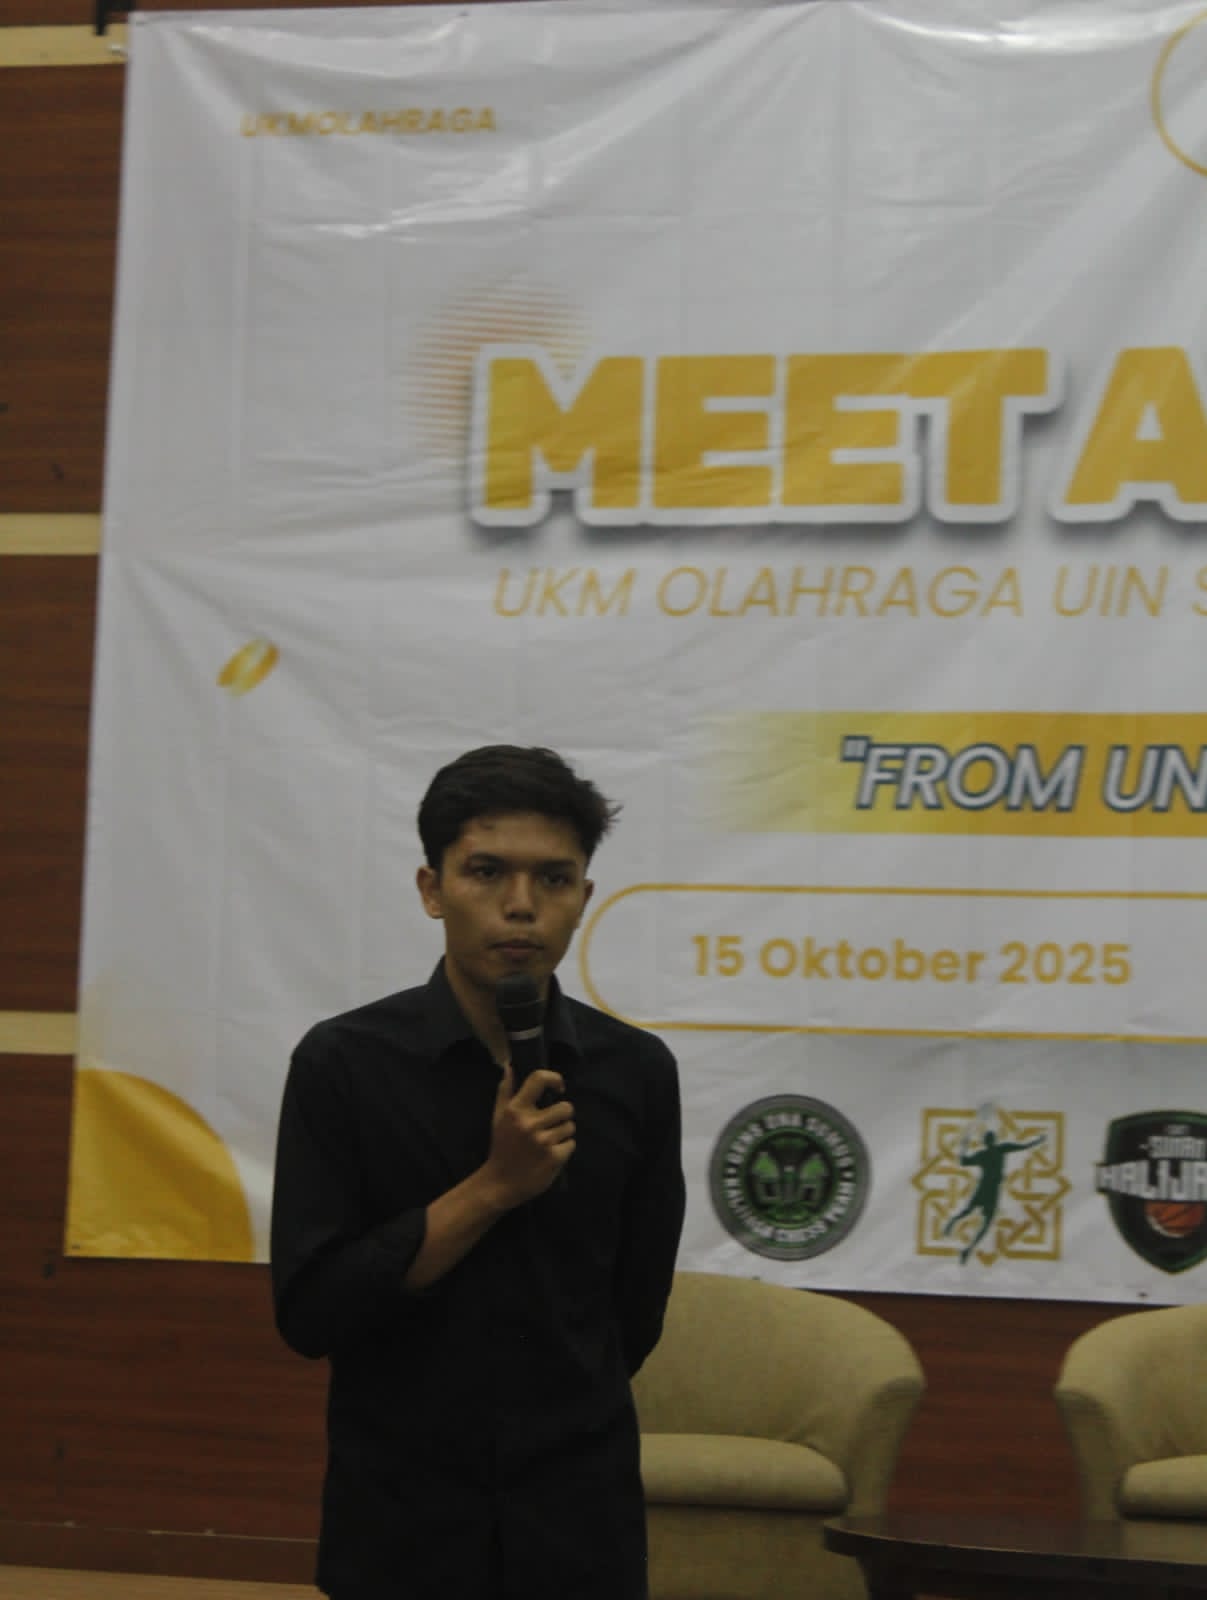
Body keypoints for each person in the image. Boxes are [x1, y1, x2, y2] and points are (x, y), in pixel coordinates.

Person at [270, 745, 686, 1600]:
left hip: (578, 1517)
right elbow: (313, 1310)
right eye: (487, 872)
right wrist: (495, 1187)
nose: (521, 906)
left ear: (584, 898)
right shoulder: (344, 1064)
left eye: (553, 879)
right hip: (403, 1515)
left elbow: (632, 1313)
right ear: (433, 889)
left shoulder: (635, 1072)